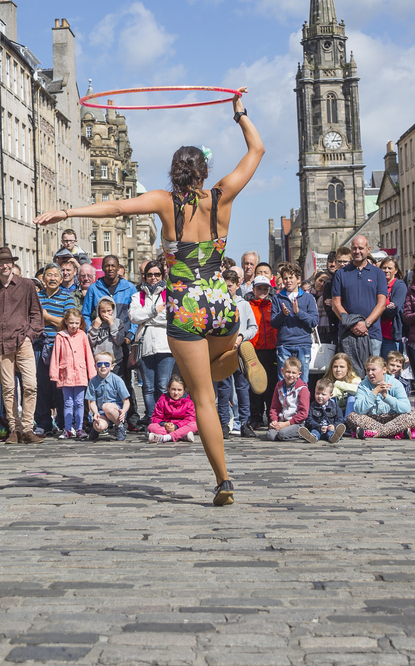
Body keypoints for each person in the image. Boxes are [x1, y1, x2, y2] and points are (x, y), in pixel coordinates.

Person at [36, 88, 264, 505]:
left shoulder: (164, 202)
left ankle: (224, 481)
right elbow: (258, 149)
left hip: (185, 305)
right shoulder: (221, 195)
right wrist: (240, 112)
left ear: (175, 173)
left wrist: (67, 213)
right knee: (213, 371)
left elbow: (118, 208)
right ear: (204, 171)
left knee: (203, 399)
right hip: (220, 301)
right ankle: (236, 349)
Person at [0, 246, 45, 444]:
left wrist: (30, 335)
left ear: (13, 264)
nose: (4, 265)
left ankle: (27, 428)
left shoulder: (26, 285)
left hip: (23, 341)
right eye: (0, 262)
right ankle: (14, 429)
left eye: (7, 262)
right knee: (8, 388)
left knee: (31, 386)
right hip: (1, 343)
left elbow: (36, 313)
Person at [129, 260, 176, 425]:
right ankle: (152, 419)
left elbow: (171, 317)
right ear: (145, 276)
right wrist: (155, 310)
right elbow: (134, 316)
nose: (153, 278)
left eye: (157, 274)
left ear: (162, 275)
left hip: (165, 345)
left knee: (163, 386)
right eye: (150, 274)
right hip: (145, 345)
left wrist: (146, 316)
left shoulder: (169, 293)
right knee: (148, 387)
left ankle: (162, 418)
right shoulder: (138, 295)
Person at [330, 235, 388, 367]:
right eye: (354, 248)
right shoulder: (341, 273)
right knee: (348, 376)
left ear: (368, 249)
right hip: (347, 334)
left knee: (372, 373)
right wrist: (352, 324)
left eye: (361, 248)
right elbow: (336, 304)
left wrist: (366, 324)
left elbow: (382, 304)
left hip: (371, 333)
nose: (357, 251)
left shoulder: (378, 273)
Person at [35, 262, 74, 437]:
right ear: (43, 278)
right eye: (49, 275)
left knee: (60, 386)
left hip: (59, 346)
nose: (52, 278)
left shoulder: (67, 297)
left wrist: (46, 317)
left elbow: (69, 324)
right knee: (40, 386)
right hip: (38, 346)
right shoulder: (36, 297)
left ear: (61, 278)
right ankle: (43, 423)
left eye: (56, 275)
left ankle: (63, 423)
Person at [347, 355, 415, 439]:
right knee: (352, 417)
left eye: (373, 370)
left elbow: (406, 408)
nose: (370, 373)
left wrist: (386, 396)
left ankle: (375, 433)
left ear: (384, 370)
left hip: (392, 418)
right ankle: (394, 432)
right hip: (371, 418)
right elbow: (359, 409)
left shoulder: (395, 383)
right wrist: (375, 392)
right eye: (368, 370)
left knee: (414, 416)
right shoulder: (363, 385)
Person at [51, 307, 96, 439]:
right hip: (66, 374)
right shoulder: (60, 336)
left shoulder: (82, 335)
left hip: (80, 373)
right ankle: (67, 428)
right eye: (71, 323)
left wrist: (91, 373)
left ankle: (80, 428)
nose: (74, 326)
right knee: (68, 402)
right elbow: (55, 356)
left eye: (77, 323)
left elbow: (88, 354)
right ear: (65, 322)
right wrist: (54, 374)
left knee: (80, 402)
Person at [271, 262, 317, 382]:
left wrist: (298, 312)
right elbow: (273, 323)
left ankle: (301, 401)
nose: (288, 281)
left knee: (303, 380)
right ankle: (284, 401)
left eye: (291, 277)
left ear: (298, 279)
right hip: (284, 345)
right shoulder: (277, 298)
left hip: (303, 344)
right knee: (284, 381)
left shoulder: (308, 298)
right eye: (285, 278)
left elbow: (313, 321)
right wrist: (283, 314)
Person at [245, 273, 278, 426]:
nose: (263, 291)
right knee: (254, 385)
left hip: (271, 350)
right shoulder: (249, 305)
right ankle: (256, 417)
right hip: (254, 351)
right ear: (254, 289)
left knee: (271, 385)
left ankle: (271, 416)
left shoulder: (273, 304)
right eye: (260, 288)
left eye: (265, 288)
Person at [86, 349, 131, 441]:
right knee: (99, 426)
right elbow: (92, 401)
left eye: (106, 364)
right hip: (102, 413)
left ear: (112, 366)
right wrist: (95, 413)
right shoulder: (93, 381)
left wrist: (123, 411)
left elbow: (126, 401)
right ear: (95, 366)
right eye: (99, 364)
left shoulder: (117, 380)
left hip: (115, 411)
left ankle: (120, 426)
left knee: (107, 407)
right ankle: (96, 429)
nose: (103, 366)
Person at [263, 357, 309, 441]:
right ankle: (284, 434)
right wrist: (274, 421)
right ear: (282, 371)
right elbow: (274, 407)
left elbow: (303, 413)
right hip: (282, 421)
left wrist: (287, 424)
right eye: (288, 372)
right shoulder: (279, 387)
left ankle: (302, 433)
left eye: (294, 373)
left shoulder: (302, 389)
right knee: (270, 435)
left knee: (282, 434)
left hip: (296, 423)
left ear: (299, 374)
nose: (290, 375)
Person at [147, 373, 198, 443]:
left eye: (179, 390)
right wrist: (165, 424)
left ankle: (166, 437)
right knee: (151, 427)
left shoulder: (189, 403)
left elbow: (190, 419)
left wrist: (176, 426)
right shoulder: (162, 400)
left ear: (184, 391)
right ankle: (182, 436)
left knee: (194, 425)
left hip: (181, 426)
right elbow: (155, 417)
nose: (176, 393)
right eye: (173, 389)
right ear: (168, 389)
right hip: (166, 427)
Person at [374, 257, 406, 362]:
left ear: (396, 270)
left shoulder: (399, 286)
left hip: (390, 336)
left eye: (390, 268)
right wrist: (385, 307)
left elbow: (393, 310)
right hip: (376, 334)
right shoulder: (377, 285)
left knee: (390, 368)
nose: (386, 270)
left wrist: (377, 309)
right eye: (384, 267)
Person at [298, 377, 346, 443]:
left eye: (323, 394)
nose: (320, 396)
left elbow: (340, 419)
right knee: (314, 432)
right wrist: (319, 427)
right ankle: (312, 437)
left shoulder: (334, 406)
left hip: (330, 430)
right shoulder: (312, 406)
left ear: (330, 395)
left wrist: (334, 426)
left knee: (331, 433)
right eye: (317, 393)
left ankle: (334, 437)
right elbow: (309, 420)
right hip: (318, 429)